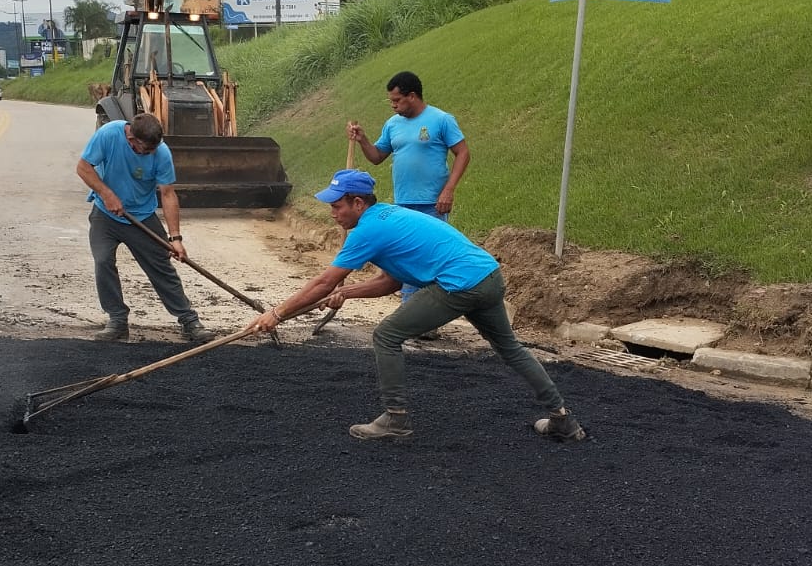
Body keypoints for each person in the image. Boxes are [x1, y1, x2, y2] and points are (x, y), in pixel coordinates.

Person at [249, 168, 586, 444]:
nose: (333, 213)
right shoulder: (389, 217)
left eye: (337, 206)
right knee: (510, 348)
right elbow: (391, 282)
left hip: (459, 285)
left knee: (386, 335)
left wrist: (277, 313)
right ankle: (562, 420)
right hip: (487, 276)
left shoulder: (367, 230)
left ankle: (395, 419)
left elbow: (323, 281)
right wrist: (347, 294)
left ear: (357, 203)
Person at [347, 70, 470, 331]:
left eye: (397, 100)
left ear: (412, 96)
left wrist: (449, 189)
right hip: (403, 205)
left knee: (429, 259)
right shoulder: (393, 124)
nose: (393, 106)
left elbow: (462, 153)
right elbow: (377, 156)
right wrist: (363, 140)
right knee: (405, 258)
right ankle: (411, 314)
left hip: (433, 203)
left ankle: (426, 319)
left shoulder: (441, 120)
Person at [75, 112, 213, 344]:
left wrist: (175, 238)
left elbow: (168, 194)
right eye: (145, 150)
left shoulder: (162, 153)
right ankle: (118, 321)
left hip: (141, 216)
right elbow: (83, 167)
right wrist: (107, 194)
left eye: (153, 149)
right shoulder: (109, 134)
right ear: (131, 139)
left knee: (161, 267)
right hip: (105, 216)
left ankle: (189, 321)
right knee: (103, 261)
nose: (150, 154)